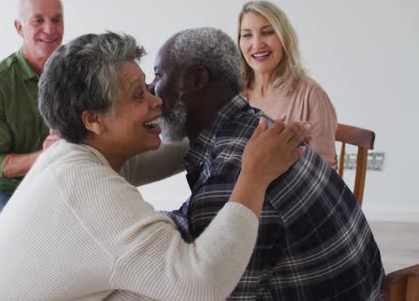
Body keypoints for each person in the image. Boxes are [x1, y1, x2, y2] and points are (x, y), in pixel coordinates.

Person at [0, 32, 306, 300]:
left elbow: (172, 151)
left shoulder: (71, 155)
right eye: (138, 95)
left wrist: (225, 125)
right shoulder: (90, 193)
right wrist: (254, 175)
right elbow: (201, 283)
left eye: (149, 86)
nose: (156, 100)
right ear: (93, 119)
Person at [153, 27, 384, 300]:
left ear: (198, 79)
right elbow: (193, 216)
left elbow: (215, 292)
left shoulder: (231, 175)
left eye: (157, 75)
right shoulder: (256, 129)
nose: (150, 90)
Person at [0, 0, 63, 226]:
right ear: (19, 28)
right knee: (14, 241)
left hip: (55, 180)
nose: (50, 29)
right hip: (2, 189)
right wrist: (44, 157)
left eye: (56, 20)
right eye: (38, 20)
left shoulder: (72, 73)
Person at [238, 0, 338, 168]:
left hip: (291, 194)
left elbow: (326, 173)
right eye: (247, 35)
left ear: (285, 38)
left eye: (268, 32)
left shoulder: (311, 95)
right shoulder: (232, 95)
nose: (256, 44)